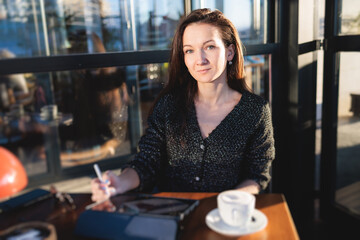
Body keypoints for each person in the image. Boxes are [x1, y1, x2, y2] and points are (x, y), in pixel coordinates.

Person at [91, 8, 275, 202]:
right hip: (170, 215)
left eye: (210, 47)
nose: (200, 59)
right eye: (189, 50)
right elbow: (147, 161)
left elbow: (257, 174)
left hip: (224, 218)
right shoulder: (169, 105)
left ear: (230, 52)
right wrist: (120, 182)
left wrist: (227, 203)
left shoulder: (255, 111)